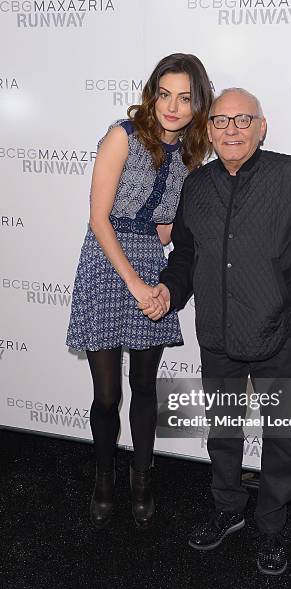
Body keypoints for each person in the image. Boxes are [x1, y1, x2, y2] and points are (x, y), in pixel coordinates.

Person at [142, 88, 291, 574]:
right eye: (221, 121)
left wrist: (287, 290)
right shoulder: (197, 186)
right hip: (219, 336)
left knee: (279, 438)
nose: (231, 130)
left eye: (242, 120)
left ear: (261, 126)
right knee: (223, 433)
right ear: (208, 129)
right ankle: (227, 511)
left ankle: (272, 530)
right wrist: (169, 289)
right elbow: (186, 255)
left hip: (279, 335)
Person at [66, 53, 213, 530]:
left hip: (151, 264)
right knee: (107, 394)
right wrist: (135, 281)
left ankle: (141, 479)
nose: (172, 106)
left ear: (197, 106)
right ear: (153, 94)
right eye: (165, 94)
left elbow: (167, 228)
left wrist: (156, 279)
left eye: (185, 98)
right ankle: (103, 479)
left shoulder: (192, 156)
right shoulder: (121, 136)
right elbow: (98, 217)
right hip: (108, 266)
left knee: (144, 388)